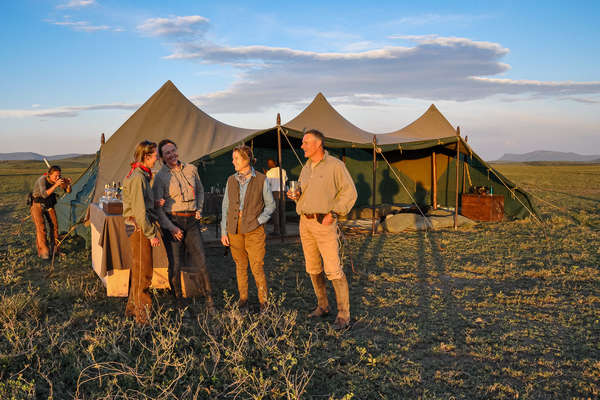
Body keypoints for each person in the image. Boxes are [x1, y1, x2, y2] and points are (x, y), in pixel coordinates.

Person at [287, 129, 357, 329]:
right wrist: (297, 196)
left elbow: (350, 193)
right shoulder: (307, 167)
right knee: (313, 268)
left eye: (305, 142)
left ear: (318, 144)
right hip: (305, 223)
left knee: (333, 269)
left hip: (324, 223)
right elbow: (307, 194)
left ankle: (344, 315)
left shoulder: (335, 166)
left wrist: (334, 213)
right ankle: (323, 306)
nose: (302, 146)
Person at [153, 139, 213, 309]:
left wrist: (199, 208)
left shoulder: (191, 169)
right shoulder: (160, 177)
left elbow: (200, 190)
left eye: (173, 150)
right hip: (173, 221)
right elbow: (158, 208)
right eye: (167, 153)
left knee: (201, 259)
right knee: (176, 263)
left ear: (177, 150)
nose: (171, 155)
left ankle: (209, 299)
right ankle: (178, 301)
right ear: (162, 158)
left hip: (192, 221)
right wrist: (171, 227)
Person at [221, 145, 276, 312]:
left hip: (254, 230)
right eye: (233, 158)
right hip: (234, 229)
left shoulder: (261, 179)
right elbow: (226, 206)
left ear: (246, 159)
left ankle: (264, 302)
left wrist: (258, 220)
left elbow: (271, 205)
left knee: (257, 265)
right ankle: (243, 298)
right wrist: (224, 231)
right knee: (240, 265)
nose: (233, 161)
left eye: (236, 158)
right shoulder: (231, 180)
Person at [122, 140, 161, 324]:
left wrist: (153, 203)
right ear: (146, 157)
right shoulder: (138, 177)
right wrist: (151, 233)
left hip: (137, 226)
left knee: (138, 271)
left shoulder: (139, 174)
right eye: (155, 156)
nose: (157, 159)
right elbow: (139, 211)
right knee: (144, 273)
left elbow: (141, 203)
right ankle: (142, 318)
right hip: (139, 228)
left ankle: (132, 309)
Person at [30, 165, 71, 259]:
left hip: (49, 204)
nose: (57, 178)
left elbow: (68, 191)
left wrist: (67, 184)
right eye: (55, 176)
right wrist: (56, 185)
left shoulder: (58, 180)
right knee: (41, 229)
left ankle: (55, 250)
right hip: (37, 204)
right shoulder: (42, 179)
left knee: (55, 227)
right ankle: (44, 253)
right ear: (49, 174)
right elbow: (44, 194)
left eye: (59, 175)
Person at [265, 159, 288, 235]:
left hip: (274, 192)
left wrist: (266, 174)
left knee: (275, 212)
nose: (269, 164)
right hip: (283, 192)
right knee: (282, 211)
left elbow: (268, 184)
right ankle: (283, 230)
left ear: (274, 163)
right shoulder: (283, 170)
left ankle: (277, 230)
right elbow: (286, 179)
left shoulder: (269, 172)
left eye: (269, 163)